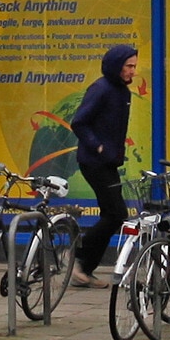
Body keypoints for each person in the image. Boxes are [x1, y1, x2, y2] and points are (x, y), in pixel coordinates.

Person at [69, 44, 138, 288]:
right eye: (129, 66)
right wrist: (97, 146)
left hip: (108, 162)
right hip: (93, 161)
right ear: (116, 66)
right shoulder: (101, 89)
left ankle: (83, 270)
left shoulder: (122, 92)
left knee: (112, 214)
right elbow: (79, 122)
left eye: (134, 66)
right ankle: (77, 260)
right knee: (116, 214)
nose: (132, 71)